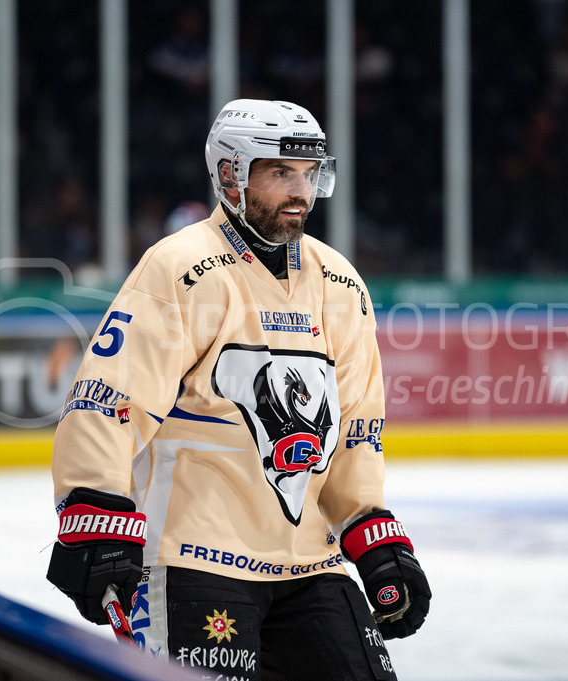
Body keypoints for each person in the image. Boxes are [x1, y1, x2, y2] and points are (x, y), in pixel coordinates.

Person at [46, 99, 431, 680]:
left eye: (308, 174)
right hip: (193, 560)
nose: (300, 191)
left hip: (310, 565)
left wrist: (369, 531)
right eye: (280, 173)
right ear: (230, 174)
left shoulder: (341, 283)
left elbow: (354, 426)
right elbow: (111, 397)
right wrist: (94, 503)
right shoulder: (179, 267)